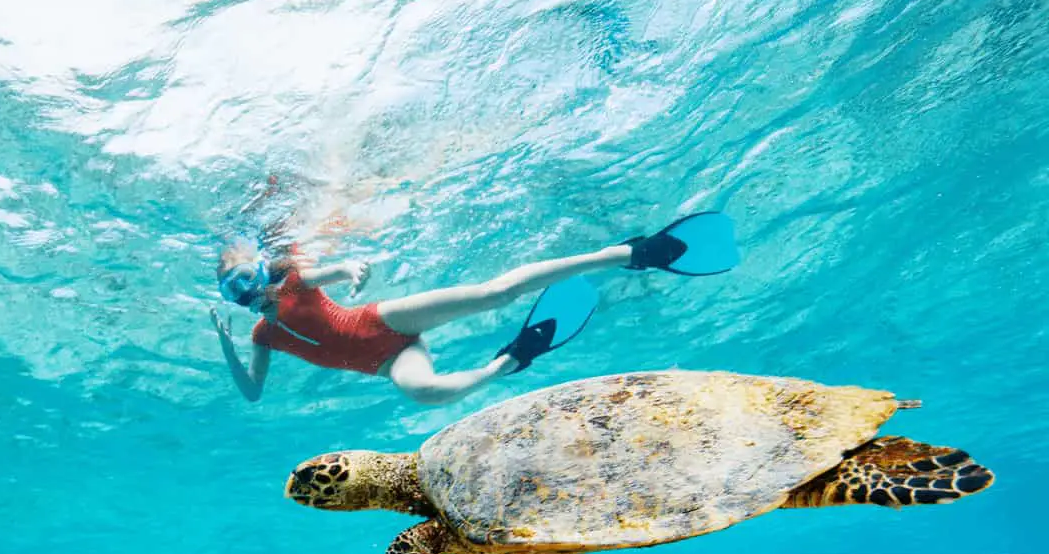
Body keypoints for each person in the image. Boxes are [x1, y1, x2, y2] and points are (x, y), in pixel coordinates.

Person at [210, 195, 737, 406]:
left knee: (496, 292)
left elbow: (340, 267)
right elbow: (253, 393)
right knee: (427, 393)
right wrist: (228, 348)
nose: (252, 292)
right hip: (387, 360)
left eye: (251, 278)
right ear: (233, 300)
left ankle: (624, 254)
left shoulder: (297, 281)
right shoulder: (262, 335)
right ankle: (510, 360)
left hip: (383, 318)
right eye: (239, 290)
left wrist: (352, 270)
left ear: (263, 271)